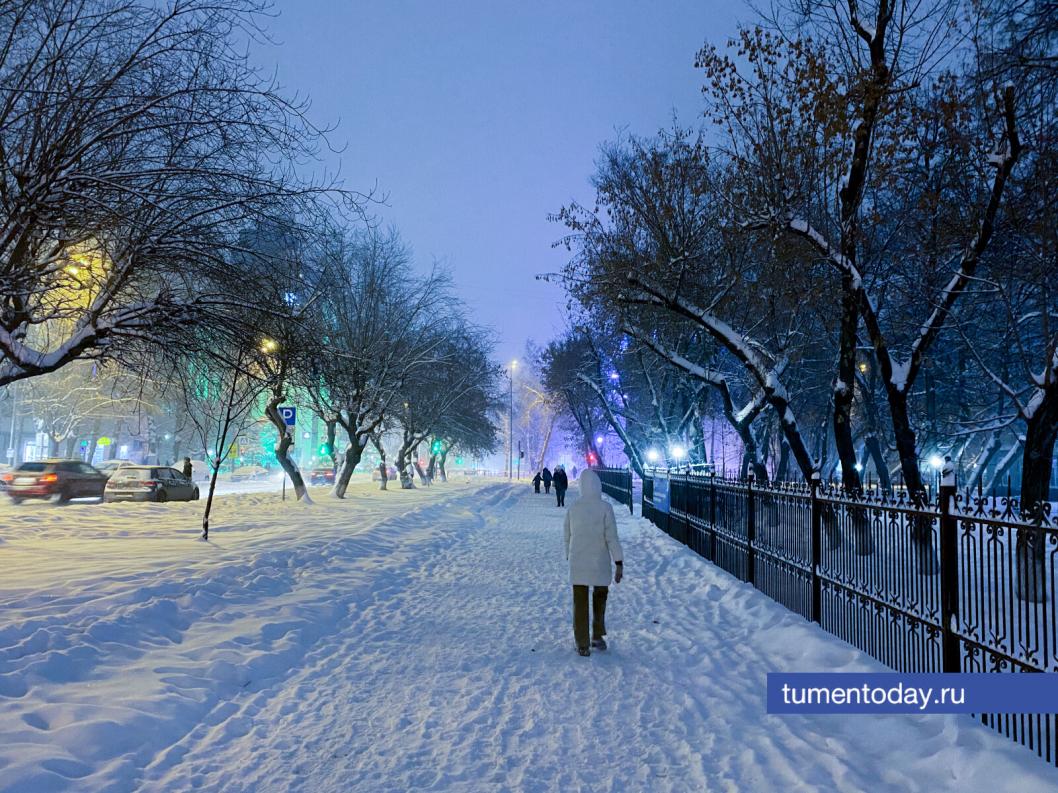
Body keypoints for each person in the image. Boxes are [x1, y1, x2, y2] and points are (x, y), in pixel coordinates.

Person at [564, 469, 623, 657]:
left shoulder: (574, 508)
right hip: (600, 562)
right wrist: (618, 561)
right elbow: (612, 537)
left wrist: (568, 555)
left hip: (578, 562)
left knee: (579, 602)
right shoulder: (605, 508)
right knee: (600, 597)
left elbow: (567, 535)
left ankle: (582, 643)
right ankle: (597, 634)